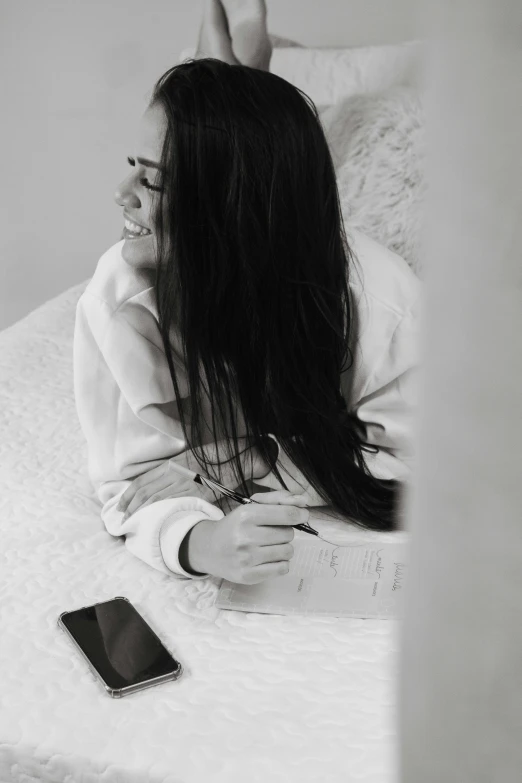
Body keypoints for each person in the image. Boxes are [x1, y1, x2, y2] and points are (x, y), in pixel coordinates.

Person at [73, 0, 421, 585]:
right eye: (131, 165)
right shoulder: (117, 303)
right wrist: (199, 543)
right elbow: (131, 484)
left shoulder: (386, 302)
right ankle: (237, 66)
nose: (119, 194)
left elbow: (415, 464)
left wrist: (239, 458)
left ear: (223, 210)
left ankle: (239, 67)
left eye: (150, 180)